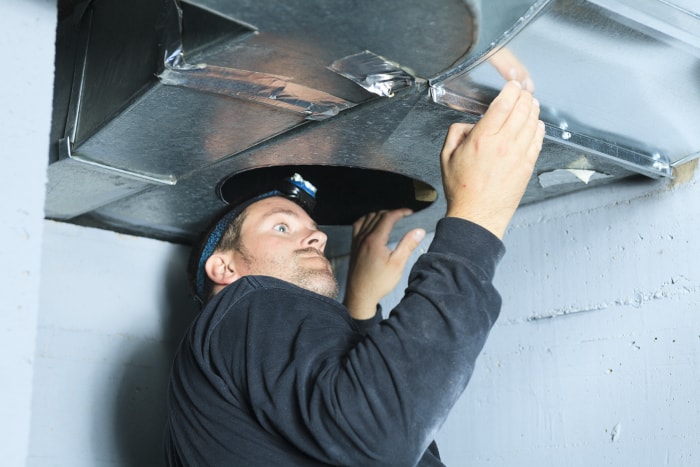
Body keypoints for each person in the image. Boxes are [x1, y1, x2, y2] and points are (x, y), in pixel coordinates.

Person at [164, 80, 545, 466]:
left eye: (314, 230)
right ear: (224, 267)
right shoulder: (245, 302)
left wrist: (360, 312)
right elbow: (380, 433)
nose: (315, 237)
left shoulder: (225, 366)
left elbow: (382, 434)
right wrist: (475, 219)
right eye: (282, 226)